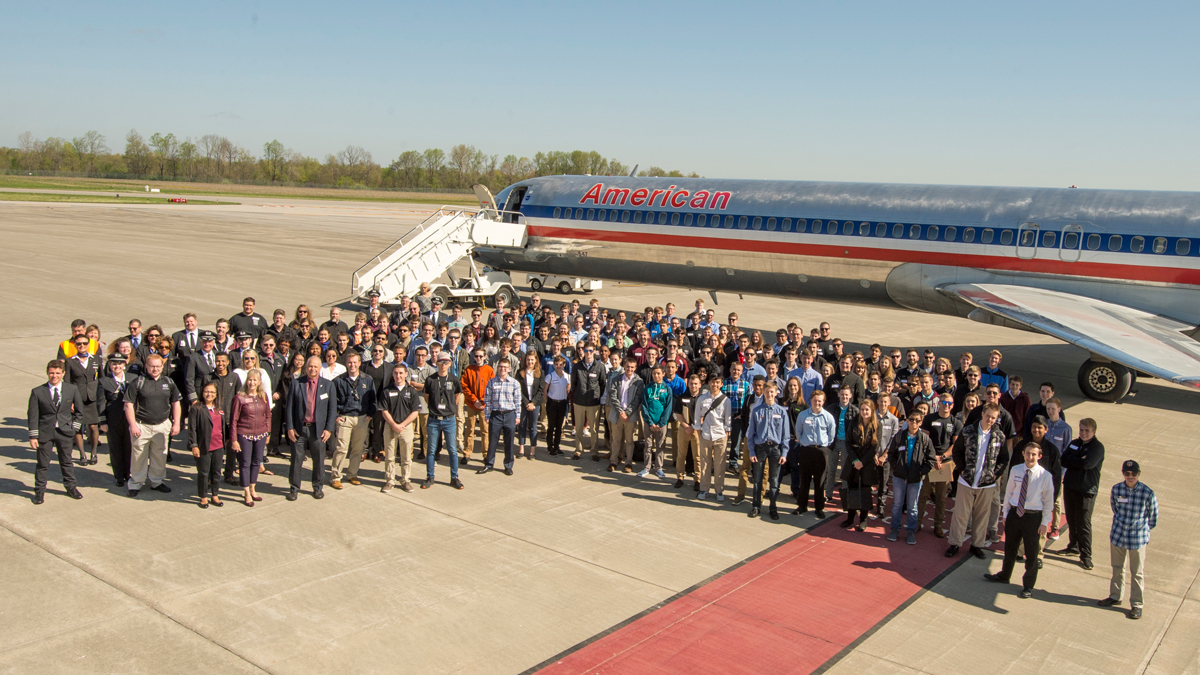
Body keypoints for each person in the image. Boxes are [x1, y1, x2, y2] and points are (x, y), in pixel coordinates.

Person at [985, 442, 1056, 599]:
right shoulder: (1016, 470)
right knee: (1010, 548)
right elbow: (1009, 492)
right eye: (1028, 453)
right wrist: (1006, 513)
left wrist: (1045, 522)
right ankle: (1004, 575)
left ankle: (1028, 586)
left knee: (1031, 553)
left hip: (1033, 517)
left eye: (1033, 454)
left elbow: (1048, 502)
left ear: (1039, 456)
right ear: (1023, 453)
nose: (1030, 457)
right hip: (1015, 514)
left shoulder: (1045, 476)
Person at [946, 405, 1010, 559]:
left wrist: (995, 475)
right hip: (966, 481)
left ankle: (977, 545)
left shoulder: (999, 436)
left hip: (987, 484)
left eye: (993, 418)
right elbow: (957, 451)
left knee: (982, 515)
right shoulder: (968, 431)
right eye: (988, 416)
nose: (990, 420)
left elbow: (1003, 458)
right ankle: (955, 543)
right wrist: (962, 469)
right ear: (982, 414)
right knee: (961, 514)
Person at [1098, 460, 1158, 619]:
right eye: (1127, 474)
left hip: (1137, 539)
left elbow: (1153, 517)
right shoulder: (1116, 489)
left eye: (1133, 474)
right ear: (1123, 473)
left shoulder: (1147, 493)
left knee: (1137, 572)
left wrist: (1142, 530)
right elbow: (1114, 507)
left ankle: (1137, 604)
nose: (1130, 477)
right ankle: (1115, 596)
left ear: (1139, 474)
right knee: (1117, 567)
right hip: (1118, 536)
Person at [123, 354, 182, 497]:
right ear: (147, 367)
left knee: (159, 455)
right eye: (152, 366)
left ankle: (157, 481)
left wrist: (177, 423)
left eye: (158, 366)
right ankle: (136, 483)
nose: (155, 369)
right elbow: (128, 404)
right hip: (141, 426)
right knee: (139, 456)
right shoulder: (138, 382)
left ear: (162, 366)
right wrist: (133, 425)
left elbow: (176, 403)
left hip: (162, 425)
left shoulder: (169, 382)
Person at [26, 360, 84, 504]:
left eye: (58, 373)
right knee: (42, 464)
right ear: (47, 373)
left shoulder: (72, 389)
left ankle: (71, 487)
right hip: (45, 433)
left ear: (63, 373)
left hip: (65, 432)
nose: (54, 376)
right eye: (51, 373)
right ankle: (39, 491)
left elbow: (80, 411)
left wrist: (74, 428)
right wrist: (33, 436)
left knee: (66, 462)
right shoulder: (38, 392)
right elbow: (32, 415)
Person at [285, 356, 336, 500]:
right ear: (306, 368)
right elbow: (289, 408)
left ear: (320, 368)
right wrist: (289, 427)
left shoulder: (328, 385)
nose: (312, 369)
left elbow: (332, 410)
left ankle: (317, 487)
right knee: (296, 460)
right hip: (299, 429)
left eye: (315, 367)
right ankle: (294, 488)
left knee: (319, 460)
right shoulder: (296, 384)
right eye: (310, 366)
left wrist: (328, 429)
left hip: (318, 430)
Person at [1059, 418, 1105, 570]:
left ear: (1093, 432)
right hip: (1070, 486)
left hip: (1086, 490)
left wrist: (1075, 460)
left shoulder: (1097, 447)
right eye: (1081, 430)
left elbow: (1088, 464)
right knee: (1071, 519)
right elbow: (1063, 460)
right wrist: (1078, 459)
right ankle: (1073, 546)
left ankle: (1086, 555)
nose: (1083, 433)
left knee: (1083, 523)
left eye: (1087, 430)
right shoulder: (1074, 443)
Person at [887, 409, 936, 544]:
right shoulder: (899, 437)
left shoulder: (925, 439)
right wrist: (896, 466)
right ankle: (895, 529)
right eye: (911, 419)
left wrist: (921, 471)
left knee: (912, 507)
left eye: (917, 420)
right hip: (899, 477)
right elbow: (891, 454)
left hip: (915, 479)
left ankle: (911, 532)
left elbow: (930, 459)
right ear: (907, 420)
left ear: (921, 423)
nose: (914, 422)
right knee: (897, 505)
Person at [330, 353, 376, 490]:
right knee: (341, 449)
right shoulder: (338, 381)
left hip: (362, 419)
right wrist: (335, 417)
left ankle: (352, 474)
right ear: (346, 364)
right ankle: (336, 477)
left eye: (355, 362)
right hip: (345, 418)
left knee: (357, 449)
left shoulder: (367, 380)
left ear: (359, 363)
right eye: (350, 362)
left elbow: (373, 399)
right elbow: (332, 401)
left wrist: (370, 415)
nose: (352, 365)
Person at [918, 393, 962, 538]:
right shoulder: (929, 419)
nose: (946, 405)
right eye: (944, 402)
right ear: (939, 403)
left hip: (945, 463)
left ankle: (938, 525)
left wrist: (942, 457)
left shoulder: (956, 422)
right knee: (924, 494)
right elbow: (924, 440)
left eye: (949, 403)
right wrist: (933, 457)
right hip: (929, 461)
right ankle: (917, 523)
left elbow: (955, 445)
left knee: (941, 497)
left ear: (952, 405)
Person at [745, 382, 790, 519]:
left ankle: (773, 508)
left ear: (776, 393)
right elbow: (750, 434)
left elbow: (786, 435)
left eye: (772, 392)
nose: (769, 395)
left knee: (774, 480)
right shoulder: (757, 411)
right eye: (767, 392)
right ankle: (756, 506)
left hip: (775, 448)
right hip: (760, 448)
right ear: (763, 393)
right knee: (757, 479)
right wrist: (751, 452)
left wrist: (784, 452)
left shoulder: (782, 411)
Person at [793, 390, 837, 517]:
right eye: (815, 400)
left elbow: (831, 434)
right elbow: (798, 431)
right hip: (806, 450)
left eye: (820, 401)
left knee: (820, 481)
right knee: (805, 479)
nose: (817, 403)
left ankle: (819, 508)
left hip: (821, 451)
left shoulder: (828, 417)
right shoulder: (803, 415)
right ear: (810, 401)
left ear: (823, 402)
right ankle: (802, 506)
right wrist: (804, 442)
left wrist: (824, 445)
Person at [425, 352, 464, 487]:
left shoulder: (454, 379)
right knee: (431, 449)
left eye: (446, 362)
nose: (443, 364)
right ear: (436, 363)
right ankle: (430, 476)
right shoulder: (430, 379)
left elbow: (457, 394)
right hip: (434, 419)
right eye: (441, 362)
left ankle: (454, 477)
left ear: (450, 364)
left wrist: (451, 408)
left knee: (452, 450)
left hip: (449, 420)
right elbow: (426, 396)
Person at [379, 363, 419, 492]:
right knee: (389, 456)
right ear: (393, 374)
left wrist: (402, 425)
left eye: (401, 373)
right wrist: (394, 425)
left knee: (406, 457)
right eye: (396, 373)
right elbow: (384, 410)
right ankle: (390, 481)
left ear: (406, 374)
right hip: (390, 427)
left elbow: (415, 412)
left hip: (405, 428)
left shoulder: (411, 391)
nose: (398, 376)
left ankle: (405, 480)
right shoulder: (386, 390)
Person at [842, 398, 881, 531]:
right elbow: (848, 442)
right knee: (852, 489)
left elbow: (874, 447)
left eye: (867, 410)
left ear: (872, 411)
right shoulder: (853, 422)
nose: (864, 412)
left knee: (865, 490)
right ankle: (850, 518)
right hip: (854, 461)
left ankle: (863, 519)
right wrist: (855, 460)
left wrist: (862, 462)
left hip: (867, 463)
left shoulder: (877, 426)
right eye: (862, 409)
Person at [63, 335, 101, 465]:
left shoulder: (96, 359)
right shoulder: (70, 362)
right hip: (77, 397)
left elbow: (101, 379)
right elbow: (67, 382)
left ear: (88, 344)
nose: (82, 346)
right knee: (77, 427)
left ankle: (94, 452)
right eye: (79, 344)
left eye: (85, 343)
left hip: (93, 397)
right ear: (75, 345)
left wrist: (102, 397)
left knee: (93, 426)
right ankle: (82, 454)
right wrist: (70, 401)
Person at [187, 382, 225, 508]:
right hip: (204, 446)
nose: (209, 394)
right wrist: (194, 445)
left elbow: (224, 426)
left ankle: (215, 494)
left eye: (212, 392)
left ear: (216, 394)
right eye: (207, 391)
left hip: (218, 445)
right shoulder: (196, 408)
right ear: (202, 392)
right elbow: (192, 428)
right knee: (203, 472)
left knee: (216, 472)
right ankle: (203, 497)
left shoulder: (219, 408)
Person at [98, 352, 134, 487]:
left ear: (124, 364)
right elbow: (100, 403)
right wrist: (103, 422)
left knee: (129, 447)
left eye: (119, 363)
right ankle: (119, 475)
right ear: (110, 365)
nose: (117, 366)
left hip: (130, 419)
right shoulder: (104, 381)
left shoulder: (133, 378)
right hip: (113, 420)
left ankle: (128, 473)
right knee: (115, 448)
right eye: (114, 363)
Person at [479, 359, 520, 476]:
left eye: (505, 367)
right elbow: (487, 400)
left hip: (509, 414)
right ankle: (489, 464)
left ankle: (508, 465)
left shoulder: (514, 383)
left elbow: (517, 401)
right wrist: (487, 415)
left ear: (509, 369)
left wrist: (517, 416)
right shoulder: (491, 382)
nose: (503, 369)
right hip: (495, 415)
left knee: (509, 442)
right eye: (501, 367)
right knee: (492, 441)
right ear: (497, 368)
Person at [694, 374, 731, 501]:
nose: (715, 385)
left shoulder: (726, 400)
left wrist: (726, 433)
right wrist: (698, 430)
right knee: (705, 463)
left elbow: (728, 420)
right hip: (705, 434)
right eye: (713, 382)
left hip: (720, 435)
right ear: (709, 383)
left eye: (718, 382)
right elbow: (697, 416)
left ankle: (719, 490)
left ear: (721, 384)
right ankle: (704, 489)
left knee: (720, 464)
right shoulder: (702, 399)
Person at [607, 356, 645, 473]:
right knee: (616, 440)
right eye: (627, 366)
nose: (629, 369)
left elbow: (637, 400)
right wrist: (620, 412)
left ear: (635, 368)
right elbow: (613, 396)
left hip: (630, 416)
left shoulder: (639, 382)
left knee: (629, 441)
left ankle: (628, 463)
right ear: (624, 366)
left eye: (632, 367)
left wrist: (627, 413)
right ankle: (613, 461)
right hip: (617, 414)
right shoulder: (616, 379)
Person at [571, 343, 607, 461]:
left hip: (594, 402)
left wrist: (597, 396)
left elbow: (602, 384)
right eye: (586, 350)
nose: (588, 353)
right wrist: (578, 394)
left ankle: (594, 451)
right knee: (579, 428)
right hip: (579, 401)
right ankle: (578, 450)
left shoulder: (600, 367)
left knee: (594, 429)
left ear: (594, 352)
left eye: (590, 351)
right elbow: (573, 384)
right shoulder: (577, 366)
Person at [638, 365, 674, 479]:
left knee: (660, 446)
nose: (656, 376)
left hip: (661, 423)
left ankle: (659, 468)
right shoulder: (647, 388)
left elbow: (668, 408)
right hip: (649, 422)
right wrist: (649, 422)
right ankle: (647, 467)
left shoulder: (667, 389)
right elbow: (644, 406)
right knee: (648, 445)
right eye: (654, 373)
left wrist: (661, 423)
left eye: (658, 373)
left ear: (663, 374)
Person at [460, 347, 493, 465]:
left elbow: (491, 386)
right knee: (470, 429)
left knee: (485, 430)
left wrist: (483, 400)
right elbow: (464, 386)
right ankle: (467, 453)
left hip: (485, 404)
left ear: (484, 357)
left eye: (480, 356)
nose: (478, 358)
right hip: (472, 403)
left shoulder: (489, 370)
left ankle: (485, 454)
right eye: (476, 356)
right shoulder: (469, 369)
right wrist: (474, 400)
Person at [673, 374, 703, 490]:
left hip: (697, 431)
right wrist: (686, 426)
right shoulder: (681, 397)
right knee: (681, 455)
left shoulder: (703, 399)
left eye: (696, 383)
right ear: (688, 384)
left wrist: (695, 427)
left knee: (698, 456)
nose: (693, 386)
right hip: (684, 429)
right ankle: (680, 477)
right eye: (691, 383)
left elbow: (704, 415)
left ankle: (698, 479)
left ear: (700, 385)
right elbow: (678, 413)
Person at [516, 351, 545, 459]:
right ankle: (521, 449)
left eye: (532, 359)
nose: (530, 362)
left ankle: (532, 450)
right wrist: (526, 402)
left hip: (535, 404)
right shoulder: (520, 372)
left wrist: (533, 403)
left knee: (533, 427)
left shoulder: (540, 372)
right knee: (522, 425)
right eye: (528, 359)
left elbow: (541, 390)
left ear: (536, 360)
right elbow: (518, 389)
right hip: (523, 403)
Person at [544, 355, 572, 457]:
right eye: (556, 364)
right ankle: (549, 447)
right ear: (554, 365)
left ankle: (557, 446)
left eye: (560, 364)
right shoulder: (550, 376)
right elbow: (545, 391)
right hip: (552, 403)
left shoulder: (567, 377)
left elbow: (568, 390)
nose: (558, 366)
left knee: (559, 427)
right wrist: (549, 402)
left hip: (562, 403)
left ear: (564, 365)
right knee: (551, 426)